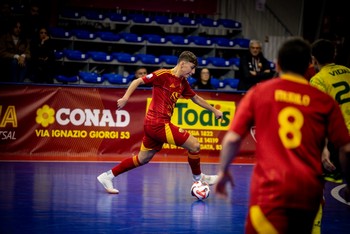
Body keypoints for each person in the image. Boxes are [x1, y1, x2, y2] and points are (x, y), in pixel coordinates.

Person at [214, 38, 350, 233]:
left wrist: (223, 172)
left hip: (270, 189)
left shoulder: (260, 92)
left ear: (277, 64)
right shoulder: (323, 100)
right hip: (308, 191)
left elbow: (233, 138)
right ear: (308, 65)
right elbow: (346, 148)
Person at [97, 51, 223, 194]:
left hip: (154, 125)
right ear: (182, 64)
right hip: (157, 124)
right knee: (194, 145)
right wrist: (125, 98)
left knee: (143, 158)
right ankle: (199, 178)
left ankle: (107, 176)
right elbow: (137, 81)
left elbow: (196, 98)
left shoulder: (183, 83)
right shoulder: (163, 75)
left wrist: (214, 110)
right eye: (192, 67)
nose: (193, 72)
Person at [310, 39, 350, 184]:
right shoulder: (348, 71)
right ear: (334, 54)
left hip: (338, 140)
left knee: (317, 180)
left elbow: (321, 117)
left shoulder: (318, 80)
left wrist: (323, 147)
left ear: (313, 59)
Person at [0, 18, 31, 82]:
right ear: (12, 28)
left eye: (19, 28)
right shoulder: (4, 38)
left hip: (21, 63)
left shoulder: (25, 39)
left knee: (24, 62)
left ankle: (19, 84)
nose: (18, 29)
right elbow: (2, 53)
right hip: (6, 63)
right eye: (16, 27)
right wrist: (16, 56)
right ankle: (14, 84)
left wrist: (23, 56)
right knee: (14, 62)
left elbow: (28, 53)